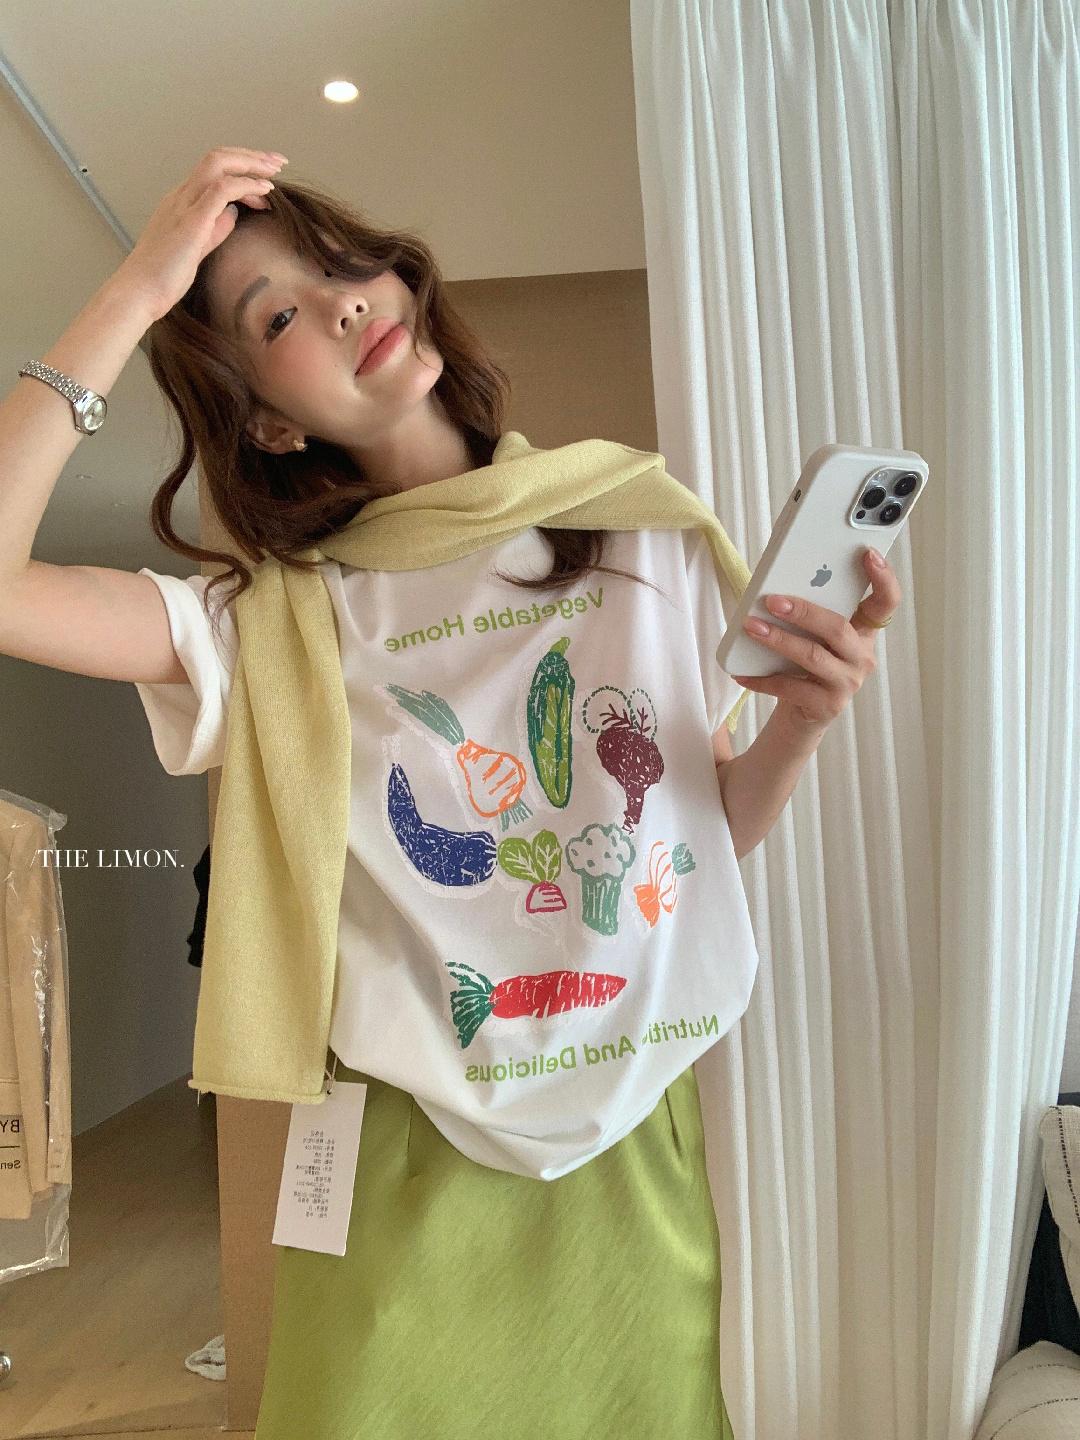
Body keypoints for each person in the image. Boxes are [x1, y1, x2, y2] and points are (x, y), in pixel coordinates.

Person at [0, 146, 900, 1438]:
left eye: (339, 268)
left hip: (627, 1119)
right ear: (267, 419)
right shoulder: (272, 621)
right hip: (406, 1138)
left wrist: (801, 724)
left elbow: (685, 849)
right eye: (277, 317)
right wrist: (138, 291)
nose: (341, 304)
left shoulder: (635, 530)